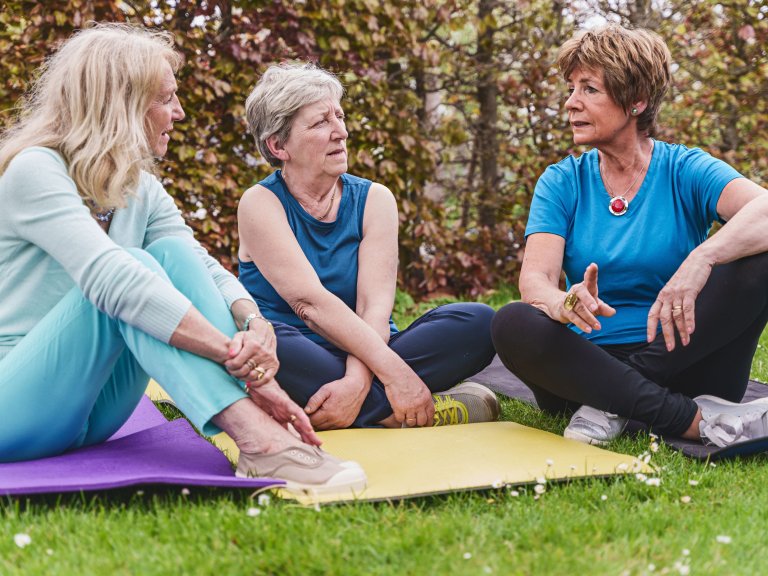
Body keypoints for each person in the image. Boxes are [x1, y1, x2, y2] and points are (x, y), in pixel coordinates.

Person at [0, 23, 366, 495]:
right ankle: (256, 438)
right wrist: (237, 362)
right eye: (166, 98)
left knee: (166, 253)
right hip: (16, 406)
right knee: (129, 271)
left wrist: (253, 322)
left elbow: (199, 263)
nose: (179, 111)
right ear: (122, 105)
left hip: (92, 414)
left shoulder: (139, 186)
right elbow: (110, 278)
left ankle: (260, 433)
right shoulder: (35, 169)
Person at [491, 24, 768, 448]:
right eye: (571, 88)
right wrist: (562, 304)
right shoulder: (562, 182)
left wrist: (704, 257)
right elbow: (534, 282)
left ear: (636, 101)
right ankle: (694, 421)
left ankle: (613, 406)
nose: (570, 103)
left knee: (759, 256)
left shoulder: (684, 168)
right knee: (511, 321)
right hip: (588, 367)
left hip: (687, 360)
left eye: (589, 89)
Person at [238, 62, 498, 431]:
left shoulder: (375, 198)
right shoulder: (259, 203)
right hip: (296, 353)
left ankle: (343, 409)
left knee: (479, 322)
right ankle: (400, 413)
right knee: (258, 340)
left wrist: (360, 381)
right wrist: (395, 377)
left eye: (339, 117)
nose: (340, 132)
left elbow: (374, 308)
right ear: (278, 145)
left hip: (369, 348)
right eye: (320, 123)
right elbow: (309, 305)